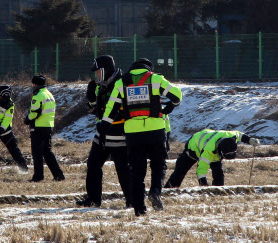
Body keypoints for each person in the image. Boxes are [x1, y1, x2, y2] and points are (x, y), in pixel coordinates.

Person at [101, 57, 182, 216]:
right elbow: (177, 95)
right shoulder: (155, 79)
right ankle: (155, 191)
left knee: (137, 171)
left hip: (133, 133)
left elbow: (111, 110)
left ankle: (139, 209)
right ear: (148, 69)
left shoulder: (121, 83)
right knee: (159, 164)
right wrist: (170, 106)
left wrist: (104, 126)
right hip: (156, 131)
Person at [77, 55, 130, 208]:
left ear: (106, 70)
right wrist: (91, 100)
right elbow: (99, 110)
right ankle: (93, 200)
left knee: (123, 170)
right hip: (102, 134)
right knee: (93, 165)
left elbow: (118, 110)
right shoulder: (103, 85)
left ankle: (132, 201)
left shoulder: (120, 84)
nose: (96, 76)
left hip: (119, 134)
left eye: (98, 72)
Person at [164, 129, 260, 188]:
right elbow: (201, 168)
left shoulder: (230, 136)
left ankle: (218, 191)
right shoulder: (209, 151)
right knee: (180, 172)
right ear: (221, 152)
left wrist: (250, 140)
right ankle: (168, 190)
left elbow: (240, 135)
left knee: (218, 172)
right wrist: (204, 186)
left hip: (211, 143)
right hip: (192, 148)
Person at [23, 74, 65, 182]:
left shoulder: (38, 95)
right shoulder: (49, 94)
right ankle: (58, 175)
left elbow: (35, 113)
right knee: (47, 152)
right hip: (48, 126)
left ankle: (38, 177)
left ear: (35, 84)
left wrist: (27, 119)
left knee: (37, 153)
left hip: (38, 127)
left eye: (33, 84)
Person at [0, 84, 28, 173]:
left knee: (13, 149)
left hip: (5, 130)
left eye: (5, 98)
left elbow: (7, 119)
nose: (3, 99)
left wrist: (1, 129)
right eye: (1, 97)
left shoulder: (10, 104)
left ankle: (24, 168)